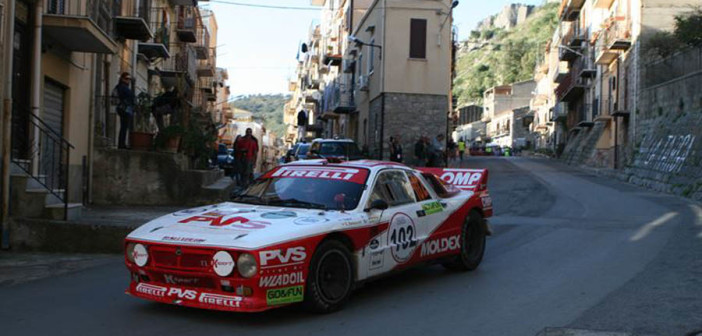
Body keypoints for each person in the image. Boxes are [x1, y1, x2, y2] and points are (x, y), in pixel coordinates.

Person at [112, 72, 135, 149]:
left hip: (123, 108)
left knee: (124, 127)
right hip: (124, 109)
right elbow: (130, 96)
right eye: (126, 79)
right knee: (124, 127)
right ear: (122, 79)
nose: (128, 80)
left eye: (129, 79)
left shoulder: (120, 87)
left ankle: (122, 144)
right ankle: (122, 144)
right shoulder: (123, 87)